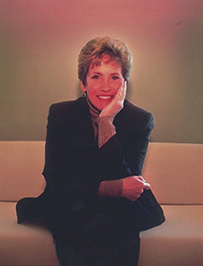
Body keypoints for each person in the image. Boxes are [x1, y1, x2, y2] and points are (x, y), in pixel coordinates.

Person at [16, 37, 165, 266]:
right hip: (70, 207)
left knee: (115, 229)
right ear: (83, 83)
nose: (106, 87)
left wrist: (107, 123)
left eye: (114, 77)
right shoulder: (60, 114)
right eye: (96, 76)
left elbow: (130, 180)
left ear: (124, 83)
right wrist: (115, 188)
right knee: (78, 228)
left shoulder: (140, 120)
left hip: (117, 212)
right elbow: (57, 181)